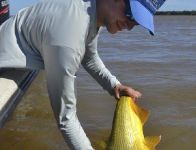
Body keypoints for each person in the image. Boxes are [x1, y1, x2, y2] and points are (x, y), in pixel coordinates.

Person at [0, 0, 166, 149]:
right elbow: (66, 118)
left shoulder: (90, 11)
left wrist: (114, 85)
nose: (130, 26)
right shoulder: (69, 35)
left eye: (137, 22)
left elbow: (89, 57)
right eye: (131, 14)